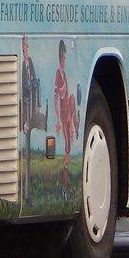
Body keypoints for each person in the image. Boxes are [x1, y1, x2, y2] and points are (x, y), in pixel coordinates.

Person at [53, 41, 78, 192]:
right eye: (63, 56)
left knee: (68, 148)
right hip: (64, 114)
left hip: (68, 113)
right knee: (67, 147)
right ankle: (64, 185)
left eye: (65, 56)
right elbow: (56, 98)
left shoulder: (64, 74)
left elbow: (67, 96)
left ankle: (65, 185)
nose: (64, 59)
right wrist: (57, 120)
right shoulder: (58, 74)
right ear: (60, 56)